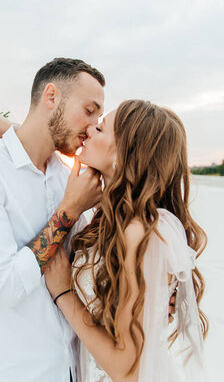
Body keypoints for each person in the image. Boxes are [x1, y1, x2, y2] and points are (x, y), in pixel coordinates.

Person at [0, 57, 106, 382]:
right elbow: (6, 285)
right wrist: (68, 211)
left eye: (99, 118)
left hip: (70, 372)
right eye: (89, 111)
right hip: (7, 373)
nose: (92, 127)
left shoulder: (70, 179)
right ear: (52, 97)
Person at [44, 100, 208, 382]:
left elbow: (125, 369)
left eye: (101, 128)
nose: (90, 130)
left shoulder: (140, 232)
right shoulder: (112, 219)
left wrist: (63, 294)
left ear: (123, 153)